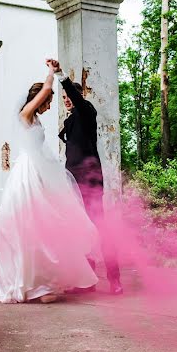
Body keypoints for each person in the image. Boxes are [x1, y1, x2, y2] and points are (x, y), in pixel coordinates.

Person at [0, 61, 99, 304]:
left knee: (45, 225)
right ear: (39, 101)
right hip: (28, 174)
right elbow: (46, 89)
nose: (50, 106)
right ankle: (33, 285)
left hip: (41, 171)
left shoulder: (35, 119)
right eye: (49, 102)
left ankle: (44, 282)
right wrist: (52, 72)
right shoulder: (25, 115)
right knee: (29, 224)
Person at [49, 59, 123, 295]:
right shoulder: (70, 120)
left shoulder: (87, 110)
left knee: (99, 229)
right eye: (64, 98)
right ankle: (87, 281)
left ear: (79, 96)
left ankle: (115, 280)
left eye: (69, 96)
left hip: (90, 182)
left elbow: (76, 97)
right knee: (79, 230)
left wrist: (60, 75)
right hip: (72, 182)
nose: (67, 99)